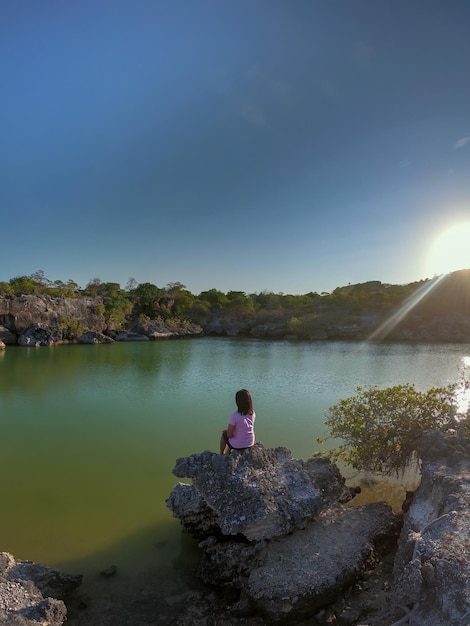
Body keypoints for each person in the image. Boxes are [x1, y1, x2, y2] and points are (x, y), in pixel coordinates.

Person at [220, 389, 256, 454]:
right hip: (250, 443)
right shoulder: (252, 414)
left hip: (238, 445)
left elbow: (229, 435)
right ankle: (229, 452)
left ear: (237, 402)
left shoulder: (234, 416)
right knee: (236, 436)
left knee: (224, 435)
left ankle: (222, 454)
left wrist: (227, 431)